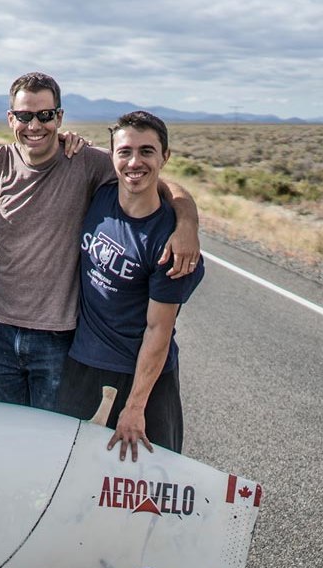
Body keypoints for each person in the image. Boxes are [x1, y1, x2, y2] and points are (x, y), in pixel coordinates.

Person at [0, 72, 200, 412]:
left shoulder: (86, 161)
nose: (34, 125)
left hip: (58, 338)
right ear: (10, 119)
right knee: (2, 442)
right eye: (24, 115)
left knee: (53, 448)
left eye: (45, 115)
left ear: (59, 117)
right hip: (0, 331)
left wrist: (187, 223)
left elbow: (155, 182)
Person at [54, 111, 204, 462]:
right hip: (84, 367)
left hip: (144, 381)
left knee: (144, 488)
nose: (135, 162)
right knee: (71, 476)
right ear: (112, 157)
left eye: (147, 151)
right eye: (125, 152)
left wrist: (136, 406)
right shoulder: (101, 196)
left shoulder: (170, 243)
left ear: (165, 157)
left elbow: (158, 329)